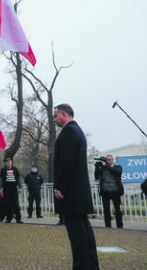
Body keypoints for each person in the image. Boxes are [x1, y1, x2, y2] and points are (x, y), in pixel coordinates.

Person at [53, 103, 99, 270]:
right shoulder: (76, 130)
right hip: (78, 192)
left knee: (78, 234)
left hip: (71, 193)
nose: (54, 119)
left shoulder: (69, 132)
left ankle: (82, 266)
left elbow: (66, 161)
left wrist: (59, 186)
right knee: (84, 231)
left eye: (55, 116)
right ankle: (91, 265)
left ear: (64, 114)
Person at [94, 155, 124, 228]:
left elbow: (117, 172)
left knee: (117, 209)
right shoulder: (102, 168)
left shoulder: (117, 166)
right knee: (106, 210)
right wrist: (97, 167)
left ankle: (119, 225)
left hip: (115, 190)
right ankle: (107, 225)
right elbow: (97, 177)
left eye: (109, 160)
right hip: (105, 191)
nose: (107, 161)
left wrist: (106, 166)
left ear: (113, 159)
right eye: (106, 160)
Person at [0, 158, 23, 224]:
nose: (8, 163)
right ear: (5, 163)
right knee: (7, 204)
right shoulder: (3, 170)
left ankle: (18, 219)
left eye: (9, 162)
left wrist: (20, 187)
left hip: (14, 189)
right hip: (6, 189)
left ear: (11, 163)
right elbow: (0, 180)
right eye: (7, 162)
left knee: (16, 204)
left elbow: (18, 179)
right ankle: (8, 218)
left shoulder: (15, 169)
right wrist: (0, 188)